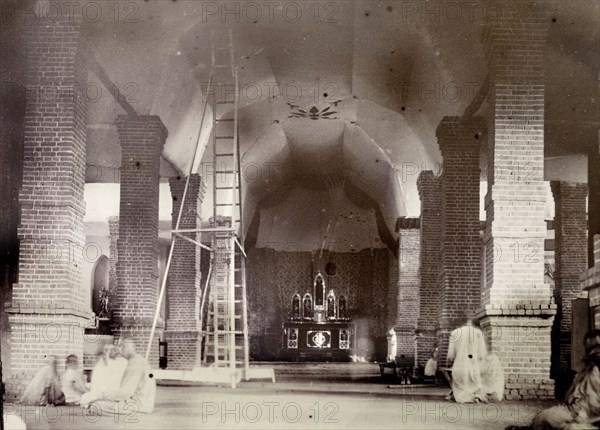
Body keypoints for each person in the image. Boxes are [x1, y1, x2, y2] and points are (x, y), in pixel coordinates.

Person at [516, 330, 600, 430]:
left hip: (592, 419)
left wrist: (587, 420)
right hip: (574, 413)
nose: (594, 353)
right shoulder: (586, 371)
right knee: (543, 417)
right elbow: (570, 400)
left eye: (597, 348)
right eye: (590, 349)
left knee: (572, 428)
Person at [87, 337, 156, 415]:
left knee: (96, 406)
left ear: (128, 347)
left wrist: (101, 397)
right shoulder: (138, 360)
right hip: (142, 402)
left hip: (138, 405)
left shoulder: (134, 364)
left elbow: (124, 394)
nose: (120, 350)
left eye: (122, 347)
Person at [446, 312, 488, 403]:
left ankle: (463, 397)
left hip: (459, 367)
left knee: (459, 384)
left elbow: (450, 355)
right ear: (471, 321)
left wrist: (451, 361)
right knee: (474, 381)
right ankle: (475, 396)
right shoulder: (478, 333)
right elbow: (482, 354)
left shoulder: (455, 333)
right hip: (473, 367)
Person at [81, 342, 128, 408]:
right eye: (106, 350)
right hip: (103, 390)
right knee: (85, 397)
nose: (108, 352)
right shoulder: (100, 364)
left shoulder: (122, 362)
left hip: (114, 390)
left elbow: (116, 379)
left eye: (110, 350)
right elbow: (98, 381)